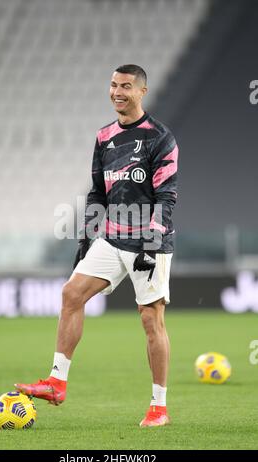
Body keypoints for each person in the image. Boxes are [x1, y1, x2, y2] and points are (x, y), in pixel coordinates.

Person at [15, 64, 179, 427]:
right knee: (71, 294)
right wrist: (86, 236)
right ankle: (56, 382)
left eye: (125, 86)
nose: (116, 92)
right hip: (112, 237)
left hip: (149, 242)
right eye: (113, 85)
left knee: (151, 320)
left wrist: (150, 245)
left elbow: (166, 197)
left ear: (141, 92)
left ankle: (159, 407)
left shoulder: (160, 137)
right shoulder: (104, 136)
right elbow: (97, 192)